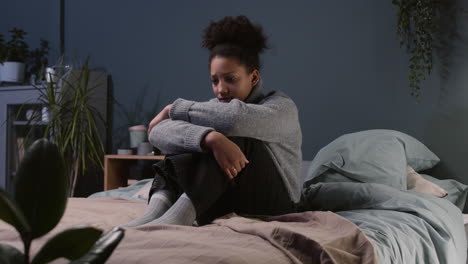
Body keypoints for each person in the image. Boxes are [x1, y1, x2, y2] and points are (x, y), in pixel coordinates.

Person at [122, 15, 302, 228]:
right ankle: (155, 213)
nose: (220, 89)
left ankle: (176, 220)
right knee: (192, 142)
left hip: (278, 202)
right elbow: (157, 133)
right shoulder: (214, 111)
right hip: (233, 196)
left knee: (236, 138)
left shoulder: (281, 107)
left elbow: (236, 119)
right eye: (215, 80)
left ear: (253, 78)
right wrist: (210, 138)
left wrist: (174, 109)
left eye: (230, 79)